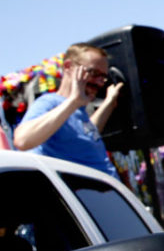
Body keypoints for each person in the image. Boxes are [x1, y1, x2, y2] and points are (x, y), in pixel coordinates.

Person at [14, 43, 122, 176]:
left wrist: (109, 102)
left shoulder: (78, 110)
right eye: (94, 73)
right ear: (68, 67)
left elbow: (88, 133)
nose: (100, 82)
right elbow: (22, 140)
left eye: (103, 77)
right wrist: (73, 101)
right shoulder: (50, 103)